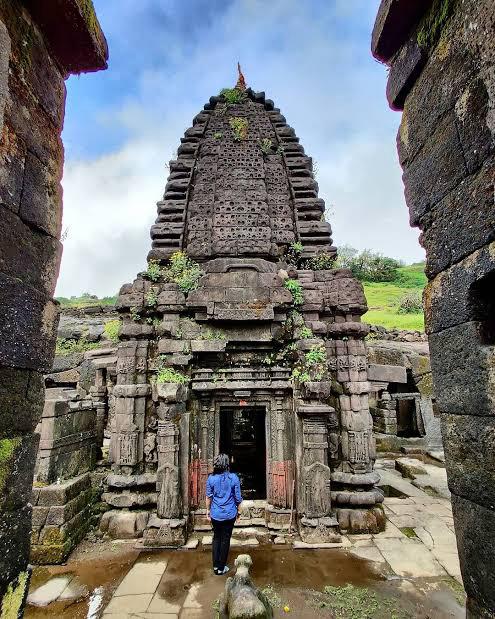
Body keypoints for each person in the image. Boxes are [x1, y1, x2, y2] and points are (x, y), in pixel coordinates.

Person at [206, 453, 243, 575]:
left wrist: (208, 511)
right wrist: (239, 511)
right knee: (225, 539)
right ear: (227, 464)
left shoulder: (211, 478)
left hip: (216, 514)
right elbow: (238, 498)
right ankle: (222, 567)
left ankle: (216, 566)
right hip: (229, 514)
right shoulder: (233, 478)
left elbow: (208, 497)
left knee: (216, 538)